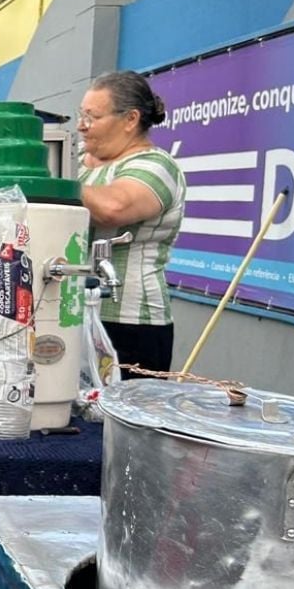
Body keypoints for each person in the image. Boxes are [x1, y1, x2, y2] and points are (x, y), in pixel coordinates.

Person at [76, 70, 186, 378]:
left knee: (115, 422)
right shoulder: (81, 164)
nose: (81, 126)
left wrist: (52, 181)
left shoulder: (156, 165)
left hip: (131, 325)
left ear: (130, 119)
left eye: (92, 117)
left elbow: (113, 208)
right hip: (77, 314)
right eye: (80, 115)